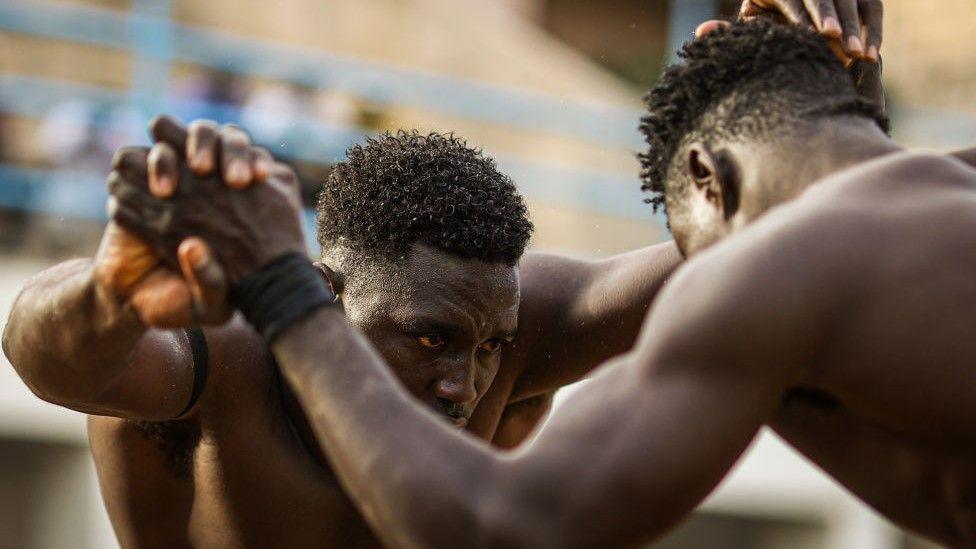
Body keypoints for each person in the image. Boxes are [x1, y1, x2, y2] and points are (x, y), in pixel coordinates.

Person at [1, 2, 893, 546]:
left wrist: (805, 105)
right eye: (428, 337)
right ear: (328, 289)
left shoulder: (513, 329)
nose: (466, 381)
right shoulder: (225, 355)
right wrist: (109, 288)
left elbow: (753, 244)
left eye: (488, 345)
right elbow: (43, 353)